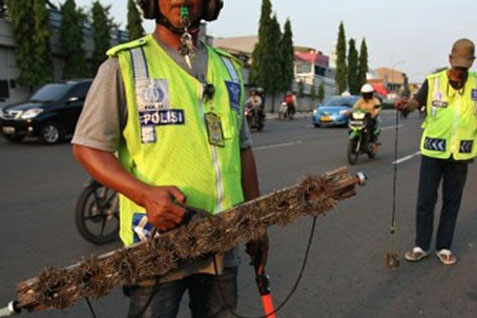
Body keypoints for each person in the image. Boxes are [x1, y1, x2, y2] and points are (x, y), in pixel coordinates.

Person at [71, 0, 269, 317]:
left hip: (221, 237)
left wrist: (257, 224)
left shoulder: (230, 68)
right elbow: (88, 147)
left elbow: (242, 150)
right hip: (155, 244)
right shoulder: (125, 65)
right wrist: (144, 195)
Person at [395, 38, 476, 265]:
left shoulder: (476, 85)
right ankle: (421, 245)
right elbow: (416, 102)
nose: (459, 72)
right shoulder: (434, 82)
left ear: (471, 63)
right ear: (450, 60)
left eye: (464, 68)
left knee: (452, 201)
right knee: (426, 200)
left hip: (460, 154)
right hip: (433, 152)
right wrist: (406, 105)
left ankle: (444, 246)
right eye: (457, 66)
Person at [351, 84, 382, 149]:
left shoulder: (375, 100)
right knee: (353, 125)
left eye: (368, 93)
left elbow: (378, 108)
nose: (366, 95)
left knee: (369, 127)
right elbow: (354, 108)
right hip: (361, 118)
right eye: (365, 94)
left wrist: (373, 114)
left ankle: (372, 141)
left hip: (371, 118)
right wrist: (349, 112)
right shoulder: (360, 101)